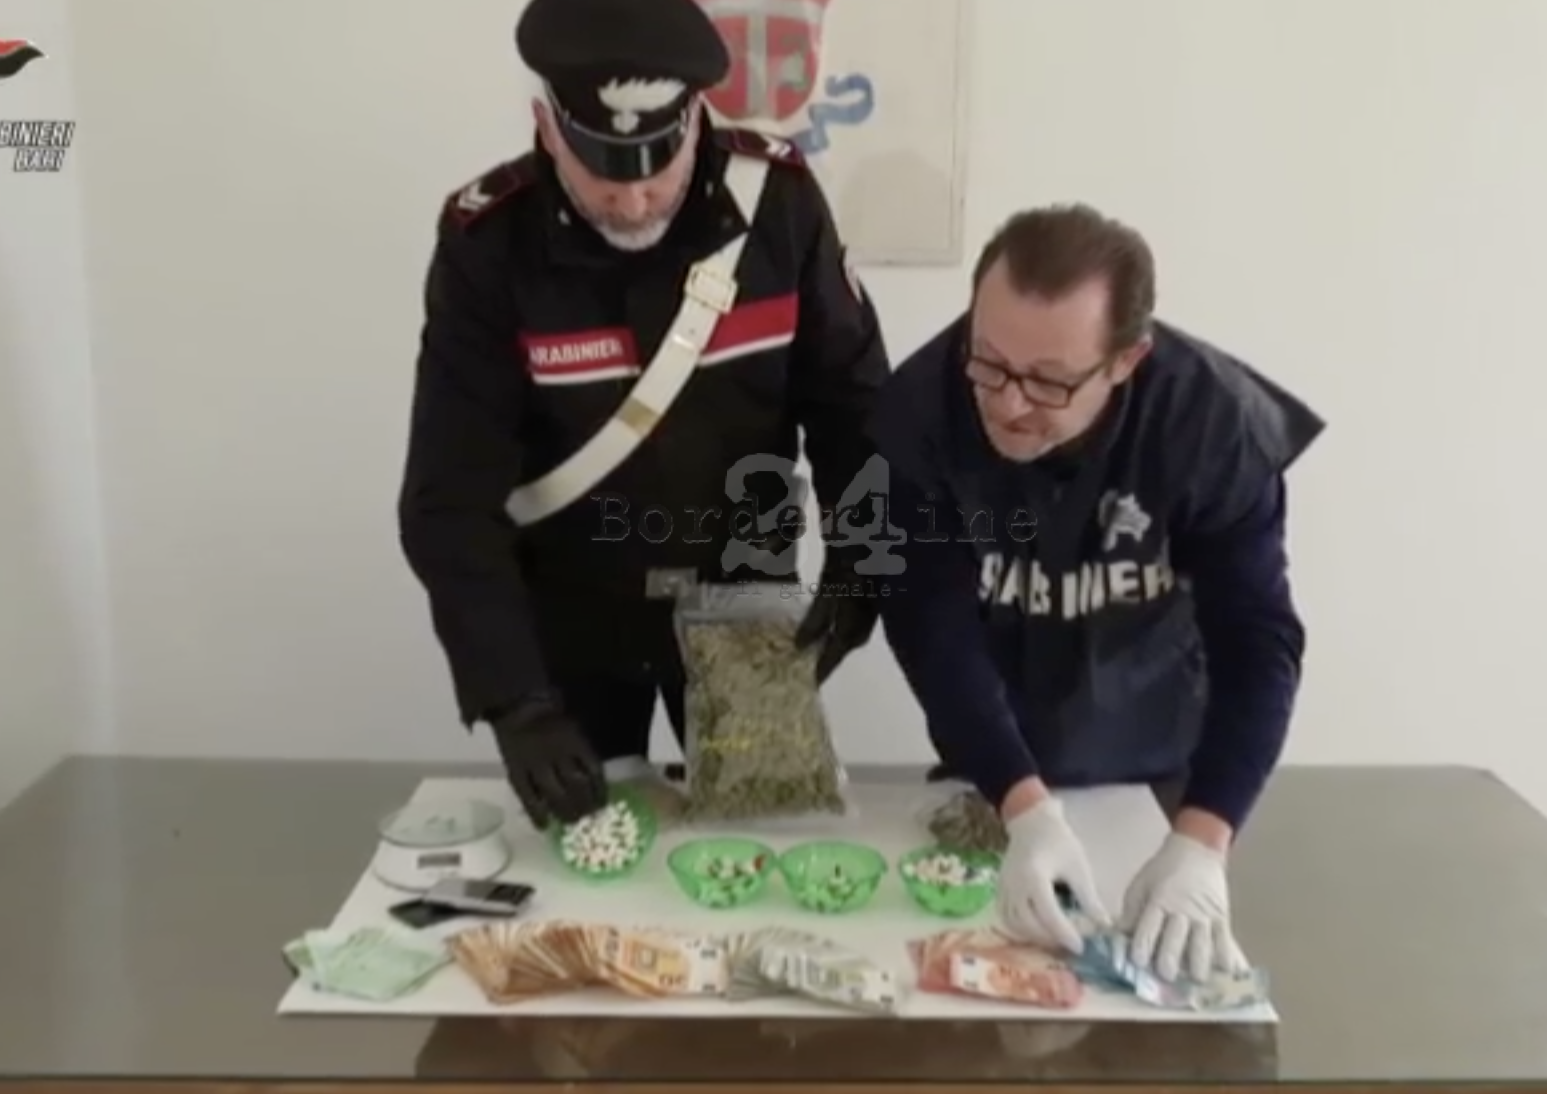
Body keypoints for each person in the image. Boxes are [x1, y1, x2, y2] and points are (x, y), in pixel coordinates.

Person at [397, 0, 890, 831]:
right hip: (572, 619)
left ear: (697, 118)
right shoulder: (489, 245)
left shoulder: (779, 206)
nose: (632, 201)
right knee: (588, 857)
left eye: (657, 168)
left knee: (759, 845)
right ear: (547, 128)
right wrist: (514, 700)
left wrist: (862, 560)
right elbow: (449, 497)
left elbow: (856, 406)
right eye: (603, 171)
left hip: (744, 597)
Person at [871, 204, 1324, 983]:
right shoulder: (920, 409)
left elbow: (1258, 641)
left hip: (1163, 768)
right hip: (995, 757)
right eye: (989, 362)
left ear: (1125, 360)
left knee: (1161, 989)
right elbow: (931, 628)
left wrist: (1203, 842)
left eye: (1049, 381)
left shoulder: (1211, 423)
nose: (1008, 403)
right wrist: (1023, 806)